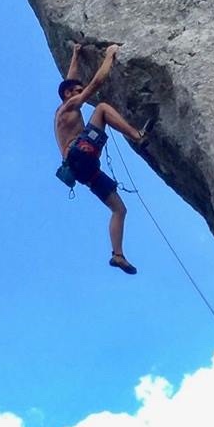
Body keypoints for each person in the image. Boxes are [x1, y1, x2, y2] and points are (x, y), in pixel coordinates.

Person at [54, 41, 146, 275]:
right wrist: (109, 56)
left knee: (119, 209)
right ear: (68, 95)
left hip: (84, 169)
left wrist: (75, 54)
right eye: (76, 90)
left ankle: (118, 255)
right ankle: (138, 135)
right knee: (102, 108)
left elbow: (70, 80)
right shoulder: (68, 107)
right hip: (80, 152)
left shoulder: (64, 109)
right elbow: (95, 84)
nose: (79, 92)